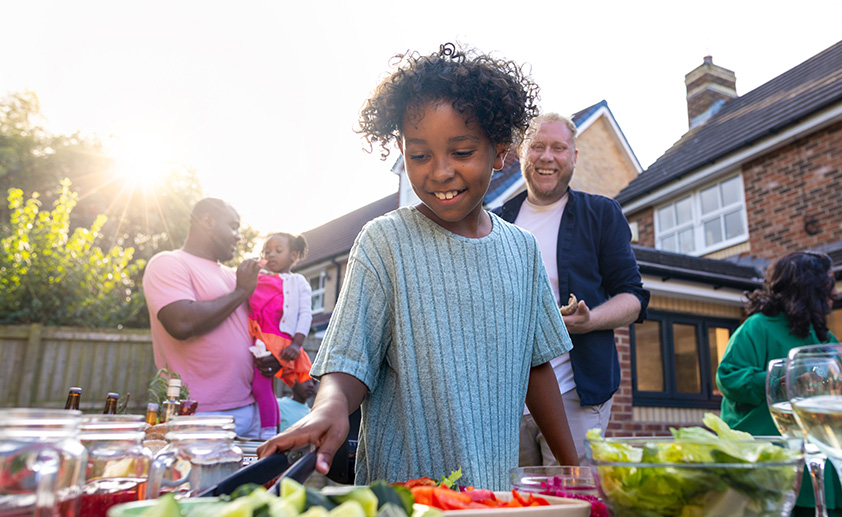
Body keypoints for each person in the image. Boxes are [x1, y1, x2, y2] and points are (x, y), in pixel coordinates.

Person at [259, 42, 578, 491]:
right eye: (420, 155)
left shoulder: (522, 251)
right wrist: (329, 406)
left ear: (501, 152)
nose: (439, 172)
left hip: (495, 498)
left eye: (462, 152)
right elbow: (351, 359)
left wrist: (572, 467)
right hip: (402, 502)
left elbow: (536, 366)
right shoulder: (383, 241)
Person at [494, 113, 649, 466]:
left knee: (573, 505)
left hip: (575, 395)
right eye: (537, 146)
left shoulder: (602, 214)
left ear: (574, 156)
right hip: (505, 402)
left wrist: (589, 319)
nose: (547, 156)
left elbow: (633, 297)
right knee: (516, 506)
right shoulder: (494, 222)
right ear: (522, 154)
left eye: (558, 148)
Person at [715, 251, 842, 517]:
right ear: (809, 285)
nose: (835, 291)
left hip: (820, 456)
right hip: (771, 459)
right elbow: (729, 377)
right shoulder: (757, 327)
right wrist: (786, 377)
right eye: (829, 282)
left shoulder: (825, 338)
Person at [143, 198, 263, 437]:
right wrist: (241, 292)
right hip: (197, 414)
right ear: (207, 221)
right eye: (233, 226)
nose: (238, 235)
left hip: (250, 411)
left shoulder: (233, 276)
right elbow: (181, 322)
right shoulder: (169, 263)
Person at [248, 233, 314, 439]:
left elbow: (305, 313)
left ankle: (267, 433)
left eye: (278, 250)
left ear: (293, 255)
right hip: (257, 337)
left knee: (261, 385)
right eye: (268, 251)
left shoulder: (298, 281)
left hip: (279, 340)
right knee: (257, 385)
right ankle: (272, 428)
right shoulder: (260, 278)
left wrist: (297, 343)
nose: (271, 255)